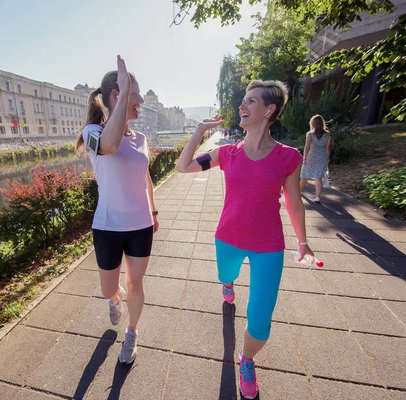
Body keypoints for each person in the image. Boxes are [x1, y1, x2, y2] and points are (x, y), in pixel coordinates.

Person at [175, 80, 315, 399]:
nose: (243, 105)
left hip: (269, 246)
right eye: (243, 100)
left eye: (250, 101)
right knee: (227, 276)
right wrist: (199, 130)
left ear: (269, 110)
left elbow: (294, 201)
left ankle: (247, 359)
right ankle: (228, 283)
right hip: (228, 237)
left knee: (260, 318)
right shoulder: (227, 154)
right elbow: (182, 167)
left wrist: (303, 242)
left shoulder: (288, 157)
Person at [75, 55, 159, 365]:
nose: (140, 101)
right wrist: (125, 95)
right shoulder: (93, 133)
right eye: (135, 94)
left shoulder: (141, 139)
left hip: (139, 226)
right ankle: (114, 301)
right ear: (117, 95)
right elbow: (110, 147)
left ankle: (132, 334)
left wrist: (153, 212)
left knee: (136, 284)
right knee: (108, 289)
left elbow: (145, 176)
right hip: (108, 227)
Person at [300, 115, 332, 203]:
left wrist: (304, 158)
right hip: (322, 157)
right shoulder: (327, 135)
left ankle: (299, 192)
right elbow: (327, 149)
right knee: (318, 177)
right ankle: (317, 197)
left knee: (304, 175)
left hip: (311, 157)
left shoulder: (310, 134)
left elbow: (307, 147)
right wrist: (327, 159)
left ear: (313, 123)